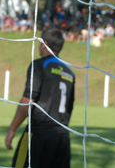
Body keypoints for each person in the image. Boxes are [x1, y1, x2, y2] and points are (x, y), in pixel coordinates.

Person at [5, 28, 75, 168]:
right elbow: (70, 106)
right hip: (62, 138)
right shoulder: (69, 72)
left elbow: (28, 100)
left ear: (44, 44)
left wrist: (12, 129)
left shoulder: (39, 65)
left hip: (38, 134)